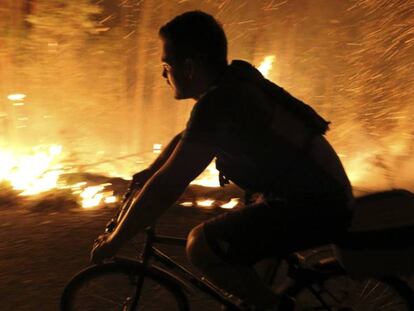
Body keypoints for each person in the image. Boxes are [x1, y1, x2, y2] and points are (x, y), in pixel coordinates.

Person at [91, 10, 354, 310]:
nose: (164, 74)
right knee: (248, 285)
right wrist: (150, 171)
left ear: (188, 67)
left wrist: (115, 241)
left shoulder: (221, 103)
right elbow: (186, 139)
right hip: (315, 196)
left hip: (313, 205)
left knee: (201, 246)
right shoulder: (231, 85)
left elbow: (169, 185)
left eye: (166, 65)